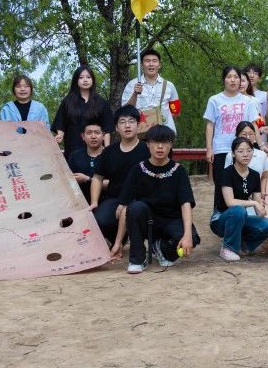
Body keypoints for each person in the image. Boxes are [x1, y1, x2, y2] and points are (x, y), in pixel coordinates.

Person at [118, 124, 199, 272]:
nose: (160, 147)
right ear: (148, 144)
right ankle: (137, 259)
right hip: (147, 221)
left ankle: (159, 247)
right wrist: (118, 243)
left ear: (171, 145)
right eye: (155, 142)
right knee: (135, 207)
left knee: (192, 239)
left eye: (165, 142)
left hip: (171, 219)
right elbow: (124, 206)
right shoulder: (138, 169)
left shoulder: (179, 171)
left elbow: (186, 203)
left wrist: (187, 235)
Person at [89, 106, 148, 252]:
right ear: (116, 128)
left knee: (136, 213)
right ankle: (119, 238)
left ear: (138, 125)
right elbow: (97, 178)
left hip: (141, 199)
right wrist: (94, 202)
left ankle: (136, 241)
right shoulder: (109, 151)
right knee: (99, 219)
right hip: (115, 197)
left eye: (131, 121)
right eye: (122, 122)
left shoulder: (147, 149)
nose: (127, 125)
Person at [210, 136, 268, 262]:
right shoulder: (226, 173)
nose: (245, 154)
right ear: (233, 154)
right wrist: (254, 203)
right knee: (238, 210)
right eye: (240, 151)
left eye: (249, 151)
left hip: (241, 218)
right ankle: (227, 248)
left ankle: (243, 247)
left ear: (253, 152)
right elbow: (230, 202)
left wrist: (261, 209)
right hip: (221, 220)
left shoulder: (255, 175)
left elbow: (257, 202)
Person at [205, 66, 259, 185]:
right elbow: (210, 125)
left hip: (242, 149)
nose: (233, 80)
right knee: (221, 185)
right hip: (221, 149)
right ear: (223, 80)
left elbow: (254, 125)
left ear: (240, 80)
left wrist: (261, 145)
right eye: (229, 77)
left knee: (241, 186)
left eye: (236, 77)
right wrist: (209, 149)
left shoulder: (248, 101)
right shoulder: (214, 100)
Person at [52, 65, 113, 156]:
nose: (85, 80)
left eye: (88, 77)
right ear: (76, 80)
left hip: (97, 151)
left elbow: (107, 129)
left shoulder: (101, 102)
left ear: (92, 80)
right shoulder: (67, 101)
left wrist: (107, 150)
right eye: (81, 77)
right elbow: (60, 123)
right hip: (73, 148)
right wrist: (60, 135)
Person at [122, 48, 181, 133]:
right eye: (147, 61)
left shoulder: (169, 86)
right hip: (140, 135)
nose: (151, 64)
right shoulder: (132, 85)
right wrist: (135, 94)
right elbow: (124, 112)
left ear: (159, 65)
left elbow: (176, 112)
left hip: (165, 135)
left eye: (154, 61)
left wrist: (163, 120)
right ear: (141, 65)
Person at [67, 120, 107, 205]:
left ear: (103, 135)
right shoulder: (75, 156)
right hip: (79, 200)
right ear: (83, 136)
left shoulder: (111, 154)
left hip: (106, 200)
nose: (93, 136)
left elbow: (113, 185)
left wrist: (87, 179)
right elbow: (68, 181)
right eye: (89, 133)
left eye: (97, 133)